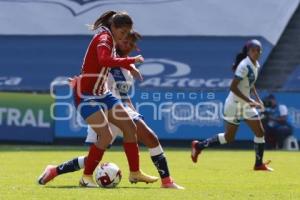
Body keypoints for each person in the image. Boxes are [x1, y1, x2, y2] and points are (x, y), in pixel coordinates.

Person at [38, 31, 183, 189]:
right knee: (92, 159)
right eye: (124, 41)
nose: (126, 45)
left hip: (118, 107)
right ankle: (54, 171)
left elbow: (124, 93)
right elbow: (90, 73)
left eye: (130, 44)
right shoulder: (106, 56)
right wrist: (78, 80)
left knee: (151, 138)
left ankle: (166, 181)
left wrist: (134, 112)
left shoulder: (128, 67)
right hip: (101, 107)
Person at [191, 39, 273, 171]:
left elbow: (251, 84)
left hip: (245, 104)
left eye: (258, 50)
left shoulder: (256, 65)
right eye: (253, 50)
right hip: (234, 105)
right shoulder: (244, 66)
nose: (256, 52)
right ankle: (199, 146)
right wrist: (251, 101)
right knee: (229, 138)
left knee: (260, 132)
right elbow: (233, 88)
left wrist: (258, 99)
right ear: (248, 51)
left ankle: (258, 164)